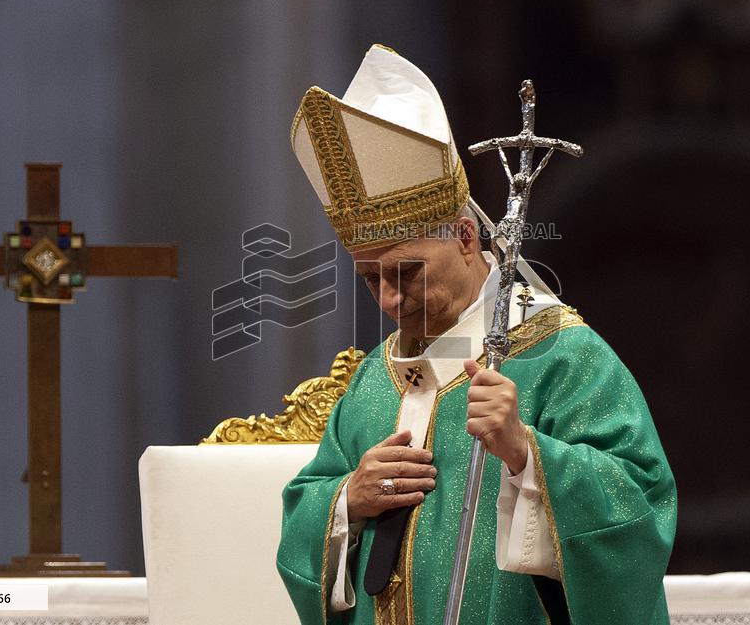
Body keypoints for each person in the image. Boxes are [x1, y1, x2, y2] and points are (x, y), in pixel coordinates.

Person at [276, 44, 676, 625]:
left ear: (465, 235)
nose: (388, 299)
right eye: (369, 280)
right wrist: (346, 503)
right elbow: (303, 516)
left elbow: (640, 510)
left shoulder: (563, 356)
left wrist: (530, 455)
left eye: (403, 272)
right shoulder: (371, 384)